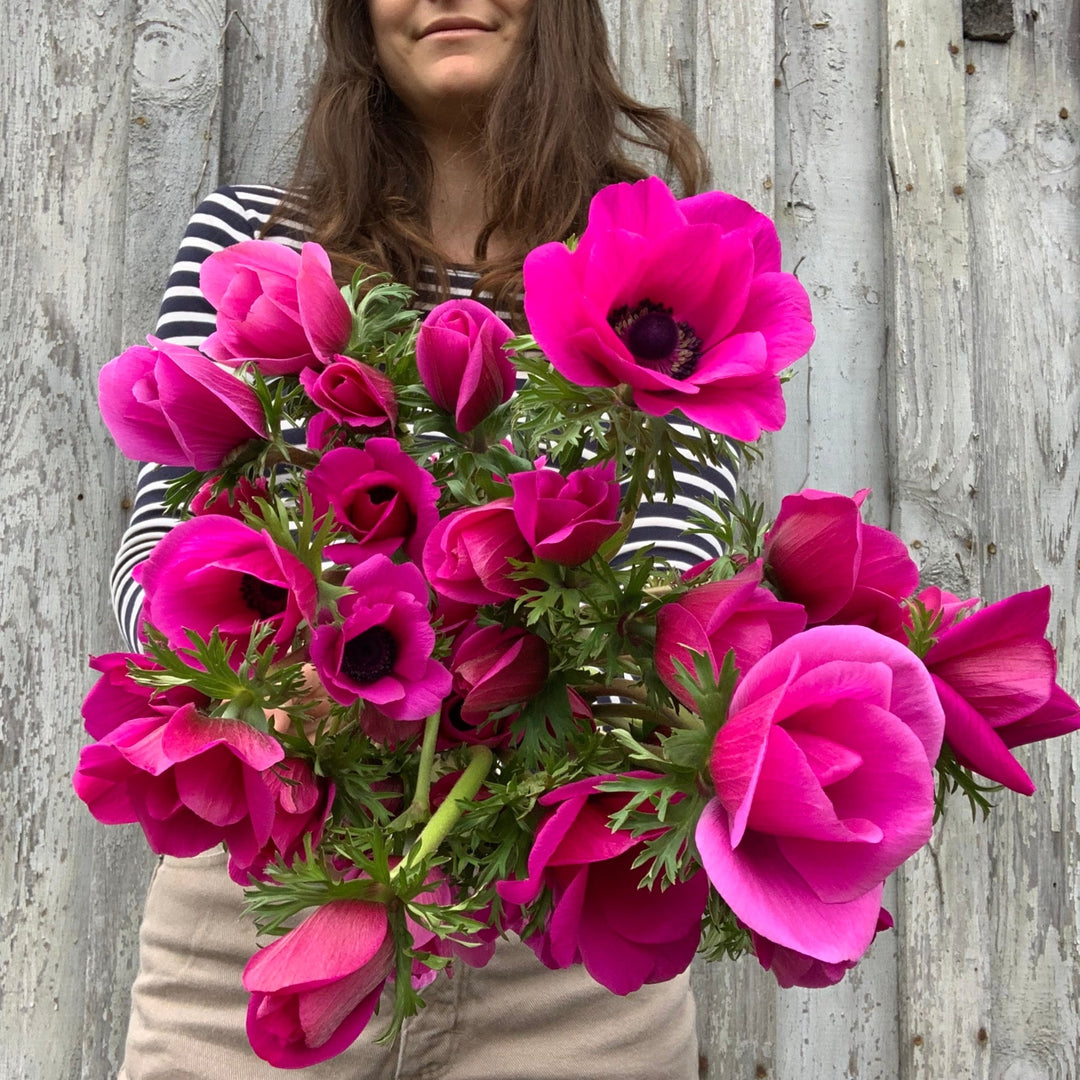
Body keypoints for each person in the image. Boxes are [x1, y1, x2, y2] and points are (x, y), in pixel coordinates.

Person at [112, 2, 736, 1077]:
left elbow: (670, 573)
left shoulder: (659, 278)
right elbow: (160, 550)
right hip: (273, 906)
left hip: (563, 937)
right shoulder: (254, 249)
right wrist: (272, 700)